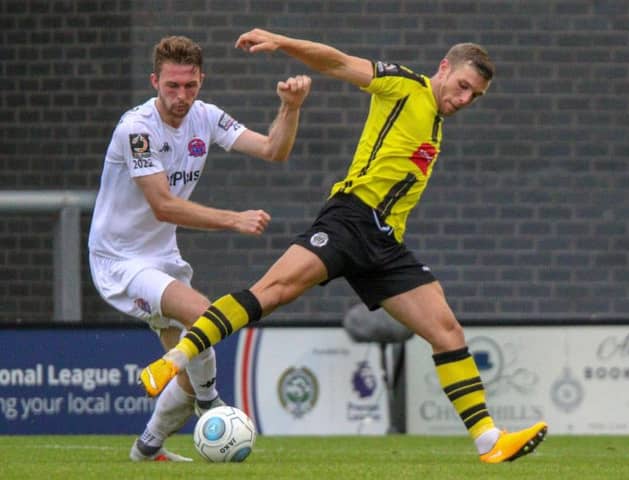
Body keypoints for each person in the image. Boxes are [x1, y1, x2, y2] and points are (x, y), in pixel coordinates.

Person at [139, 29, 547, 463]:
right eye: (463, 86)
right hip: (350, 219)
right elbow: (337, 62)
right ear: (444, 68)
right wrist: (281, 42)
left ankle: (489, 440)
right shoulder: (406, 86)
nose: (465, 99)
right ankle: (178, 358)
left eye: (475, 96)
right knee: (271, 292)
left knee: (447, 332)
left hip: (385, 244)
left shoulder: (435, 124)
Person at [88, 34, 311, 462]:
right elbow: (164, 206)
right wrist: (234, 219)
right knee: (206, 316)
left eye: (190, 86)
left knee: (195, 354)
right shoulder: (136, 129)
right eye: (172, 86)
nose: (181, 96)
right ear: (155, 81)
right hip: (120, 261)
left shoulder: (206, 118)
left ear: (201, 81)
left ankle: (147, 449)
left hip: (162, 258)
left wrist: (291, 108)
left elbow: (272, 149)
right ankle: (212, 403)